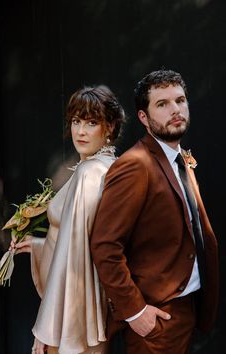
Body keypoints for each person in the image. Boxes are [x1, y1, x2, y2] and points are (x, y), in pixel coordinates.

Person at [90, 69, 219, 354]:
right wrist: (136, 313)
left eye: (180, 100)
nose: (176, 110)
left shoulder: (179, 158)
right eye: (162, 104)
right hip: (155, 322)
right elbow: (104, 245)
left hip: (188, 310)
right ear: (144, 118)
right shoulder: (136, 164)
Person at [11, 85, 125, 354]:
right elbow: (76, 243)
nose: (81, 131)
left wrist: (46, 329)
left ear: (109, 127)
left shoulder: (90, 173)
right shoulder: (101, 167)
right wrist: (40, 246)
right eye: (76, 121)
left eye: (91, 122)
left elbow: (74, 259)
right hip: (77, 309)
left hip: (73, 317)